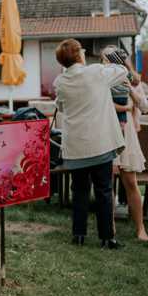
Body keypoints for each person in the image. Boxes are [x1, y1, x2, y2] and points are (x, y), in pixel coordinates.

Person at [53, 39, 127, 249]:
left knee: (79, 191)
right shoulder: (96, 73)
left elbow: (61, 106)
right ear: (79, 55)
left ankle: (79, 235)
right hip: (100, 144)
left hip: (76, 147)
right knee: (104, 191)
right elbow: (121, 71)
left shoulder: (60, 82)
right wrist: (112, 57)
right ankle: (107, 238)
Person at [101, 46, 148, 242]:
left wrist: (130, 89)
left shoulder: (131, 81)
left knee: (130, 182)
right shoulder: (102, 81)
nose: (103, 64)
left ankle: (140, 228)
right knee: (107, 184)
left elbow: (145, 107)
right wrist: (125, 106)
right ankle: (109, 226)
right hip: (106, 132)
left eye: (105, 60)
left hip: (127, 135)